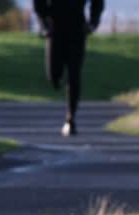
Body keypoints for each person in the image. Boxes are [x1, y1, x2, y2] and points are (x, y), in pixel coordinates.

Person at [33, 0, 105, 136]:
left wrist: (93, 23)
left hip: (77, 29)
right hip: (55, 29)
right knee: (54, 76)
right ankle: (57, 81)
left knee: (74, 73)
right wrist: (44, 23)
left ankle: (70, 118)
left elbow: (97, 2)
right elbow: (39, 3)